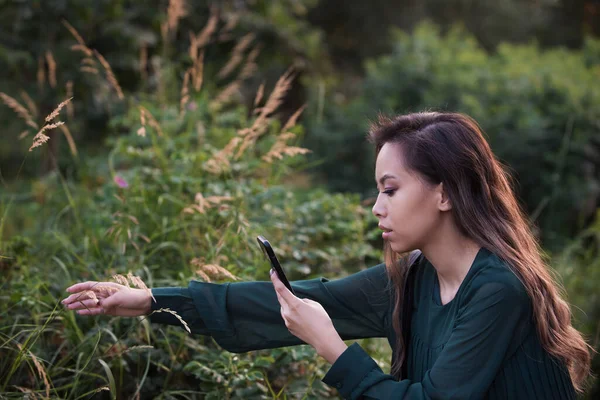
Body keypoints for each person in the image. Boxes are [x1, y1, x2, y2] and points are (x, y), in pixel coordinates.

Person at [62, 112, 593, 399]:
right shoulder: (413, 277)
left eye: (389, 189)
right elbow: (292, 303)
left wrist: (333, 350)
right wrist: (152, 300)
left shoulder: (497, 289)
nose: (376, 208)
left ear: (445, 193)